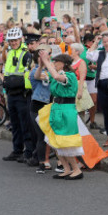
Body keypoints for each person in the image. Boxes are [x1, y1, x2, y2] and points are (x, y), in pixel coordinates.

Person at [36, 52, 84, 180]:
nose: (54, 64)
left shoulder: (69, 75)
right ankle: (67, 169)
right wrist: (41, 65)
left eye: (56, 62)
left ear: (63, 63)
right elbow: (37, 76)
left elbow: (57, 77)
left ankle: (76, 169)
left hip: (66, 110)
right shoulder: (58, 74)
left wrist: (46, 61)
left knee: (64, 142)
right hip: (57, 108)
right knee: (55, 141)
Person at [0, 27, 34, 164]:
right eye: (11, 40)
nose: (13, 42)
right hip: (11, 93)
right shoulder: (10, 52)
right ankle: (17, 150)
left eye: (15, 40)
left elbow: (28, 74)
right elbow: (8, 72)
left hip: (22, 94)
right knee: (15, 124)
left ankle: (28, 152)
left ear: (21, 39)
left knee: (25, 124)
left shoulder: (26, 54)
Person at [30, 44, 54, 173]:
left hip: (50, 105)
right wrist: (41, 64)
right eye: (42, 55)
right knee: (41, 135)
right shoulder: (35, 70)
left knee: (48, 135)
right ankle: (41, 162)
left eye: (47, 54)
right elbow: (37, 76)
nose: (45, 57)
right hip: (37, 106)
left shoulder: (53, 69)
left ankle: (47, 160)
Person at [70, 43, 94, 117]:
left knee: (79, 110)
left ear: (77, 51)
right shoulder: (70, 62)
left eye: (72, 50)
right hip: (71, 86)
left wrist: (80, 91)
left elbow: (82, 77)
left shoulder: (81, 62)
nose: (70, 51)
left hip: (78, 85)